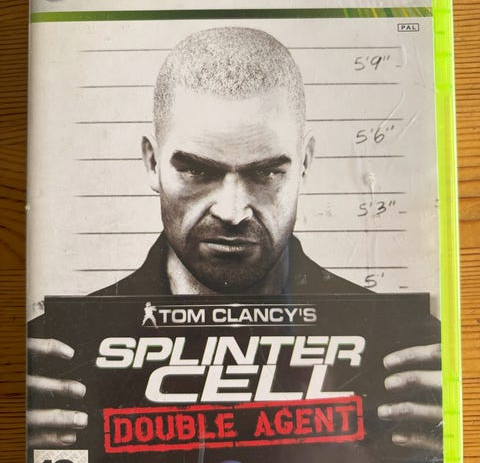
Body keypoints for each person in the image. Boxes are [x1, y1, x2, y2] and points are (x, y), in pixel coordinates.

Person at [27, 27, 442, 458]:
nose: (232, 211)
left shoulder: (411, 355)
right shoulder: (51, 359)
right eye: (197, 171)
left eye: (266, 173)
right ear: (152, 163)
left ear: (304, 164)